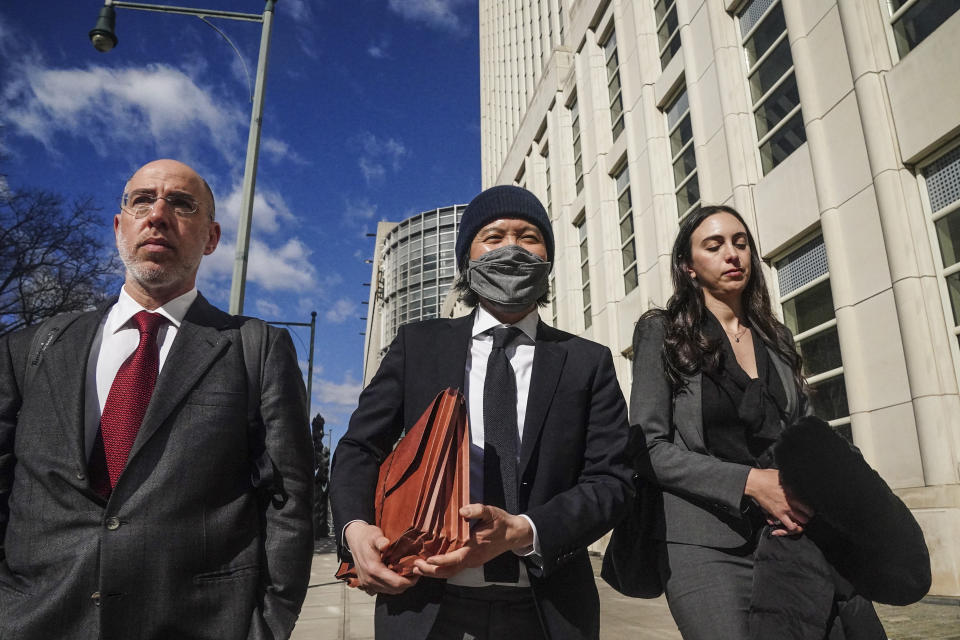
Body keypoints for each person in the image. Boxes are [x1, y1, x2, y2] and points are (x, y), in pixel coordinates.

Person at [0, 159, 314, 639]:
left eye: (182, 204)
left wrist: (266, 627)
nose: (158, 214)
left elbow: (288, 499)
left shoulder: (255, 348)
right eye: (142, 200)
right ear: (119, 225)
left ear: (211, 238)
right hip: (38, 619)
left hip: (200, 624)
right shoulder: (31, 349)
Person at [330, 185, 633, 640]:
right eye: (493, 237)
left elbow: (612, 481)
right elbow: (358, 447)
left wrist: (523, 531)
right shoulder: (419, 345)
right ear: (466, 259)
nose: (511, 247)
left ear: (548, 260)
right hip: (424, 602)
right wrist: (355, 530)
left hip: (549, 610)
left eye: (528, 236)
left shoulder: (587, 361)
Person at [627, 205, 882, 638]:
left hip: (789, 535)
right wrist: (752, 482)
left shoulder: (776, 337)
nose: (733, 254)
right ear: (688, 267)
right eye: (715, 245)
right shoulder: (663, 332)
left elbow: (806, 433)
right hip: (703, 544)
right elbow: (647, 448)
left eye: (740, 243)